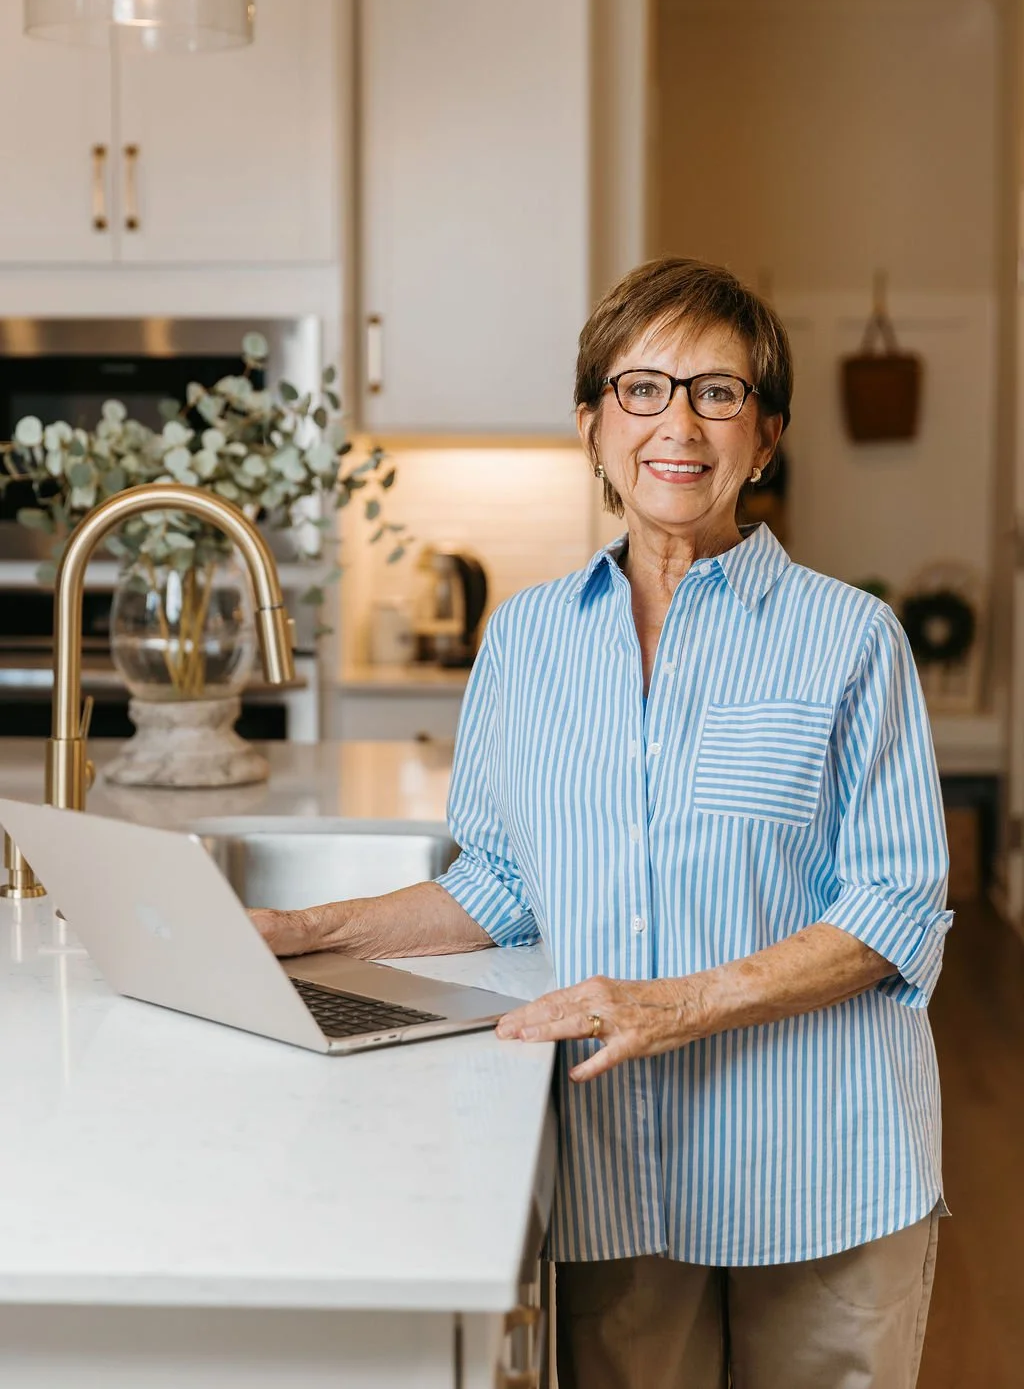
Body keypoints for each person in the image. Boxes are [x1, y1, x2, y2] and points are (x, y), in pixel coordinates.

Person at [252, 257, 952, 1389]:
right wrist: (304, 927)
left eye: (716, 392)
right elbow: (497, 885)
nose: (677, 422)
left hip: (822, 1161)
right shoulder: (526, 641)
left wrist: (678, 1003)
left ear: (763, 437)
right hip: (618, 1162)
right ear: (591, 426)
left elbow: (893, 907)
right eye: (641, 388)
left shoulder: (850, 637)